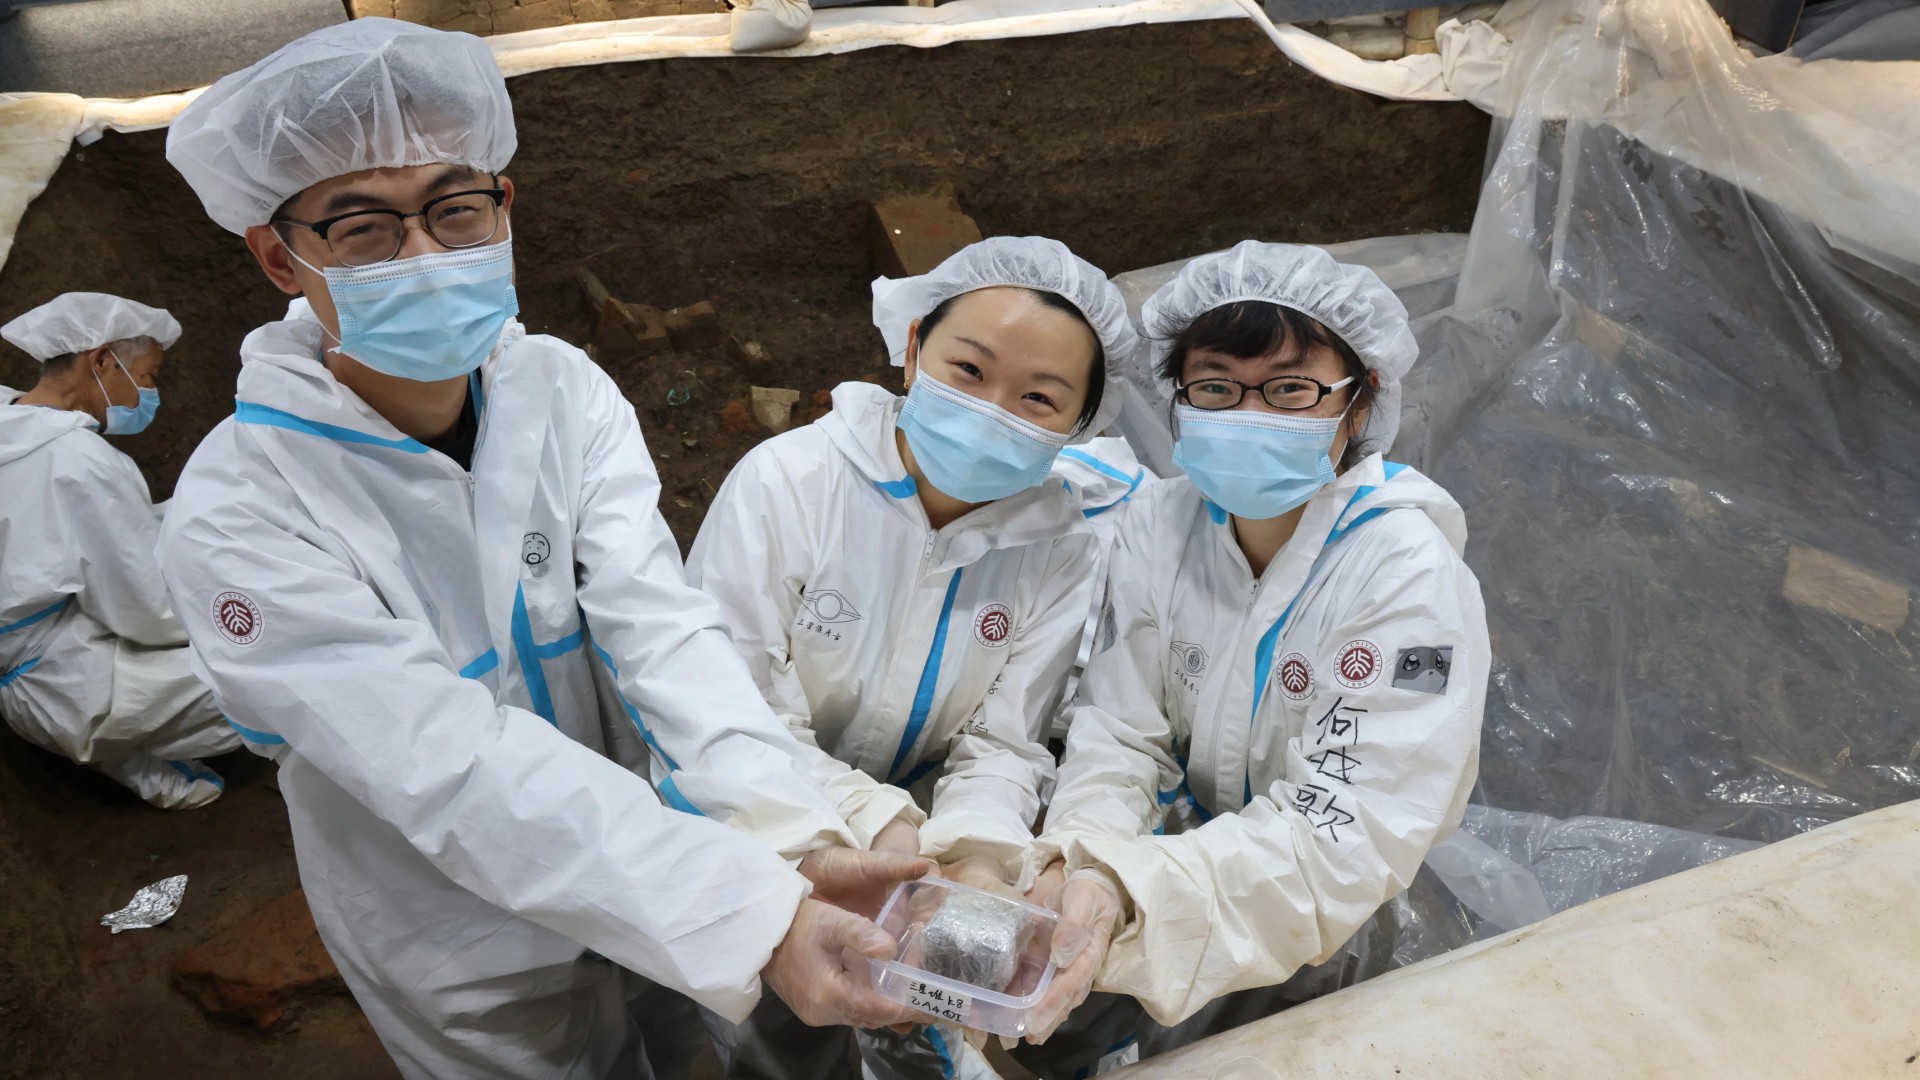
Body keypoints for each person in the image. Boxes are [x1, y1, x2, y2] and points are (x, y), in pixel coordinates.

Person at [157, 19, 925, 1079]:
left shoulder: (561, 389)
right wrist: (742, 912)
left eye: (453, 208)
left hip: (653, 853)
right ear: (279, 255)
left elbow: (659, 632)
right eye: (365, 229)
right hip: (454, 926)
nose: (424, 253)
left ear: (502, 203)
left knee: (687, 1040)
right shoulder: (240, 513)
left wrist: (790, 837)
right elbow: (444, 763)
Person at [1017, 241, 1491, 1073]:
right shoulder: (1160, 527)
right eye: (1215, 388)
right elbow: (1120, 732)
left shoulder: (1403, 572)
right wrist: (1087, 861)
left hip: (1330, 922)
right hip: (1167, 866)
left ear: (1357, 401)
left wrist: (1132, 893)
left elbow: (1342, 835)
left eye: (1287, 389)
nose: (1249, 413)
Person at [684, 236, 1143, 1079]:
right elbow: (731, 710)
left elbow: (1005, 742)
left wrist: (973, 860)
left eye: (1039, 397)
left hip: (914, 835)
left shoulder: (1058, 550)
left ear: (1081, 427)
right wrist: (892, 830)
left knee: (889, 1003)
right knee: (762, 1017)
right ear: (911, 348)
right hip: (740, 811)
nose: (994, 407)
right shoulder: (790, 485)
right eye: (969, 370)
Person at [0, 293, 239, 809]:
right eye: (149, 377)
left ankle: (145, 767)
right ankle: (131, 740)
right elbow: (145, 611)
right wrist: (229, 605)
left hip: (28, 662)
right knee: (265, 670)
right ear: (102, 360)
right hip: (67, 687)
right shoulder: (78, 461)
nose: (150, 394)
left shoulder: (10, 422)